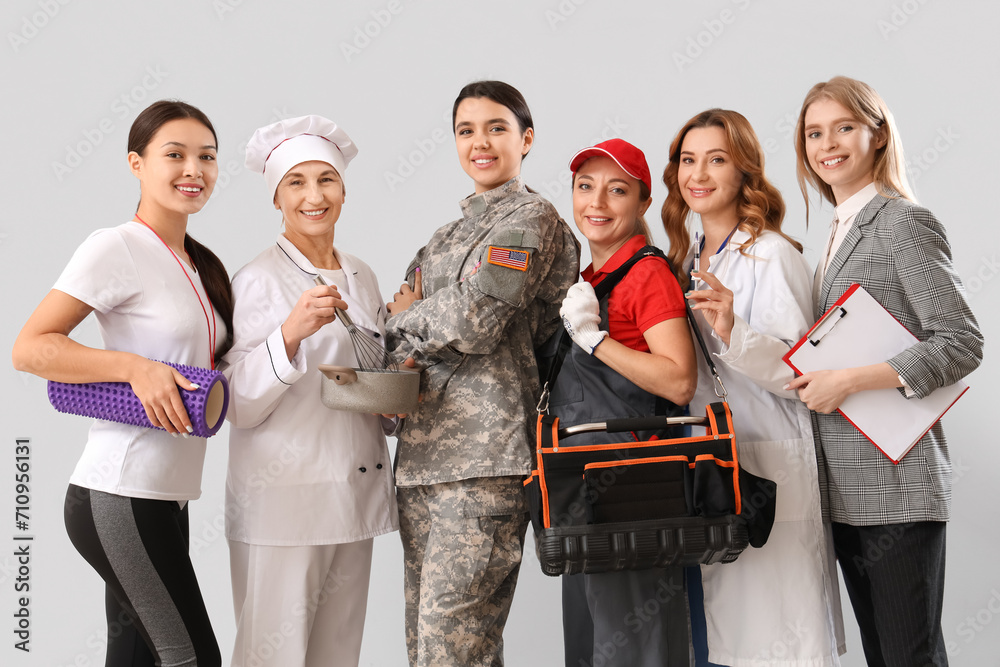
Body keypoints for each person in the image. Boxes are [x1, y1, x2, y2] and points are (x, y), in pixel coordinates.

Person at [12, 100, 229, 666]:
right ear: (136, 164)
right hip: (120, 492)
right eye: (174, 155)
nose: (194, 170)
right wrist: (136, 368)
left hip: (167, 497)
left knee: (134, 659)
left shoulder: (199, 264)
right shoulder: (116, 246)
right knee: (192, 659)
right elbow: (31, 348)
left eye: (206, 157)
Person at [786, 77, 983, 667]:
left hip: (898, 488)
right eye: (814, 133)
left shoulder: (901, 222)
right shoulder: (837, 227)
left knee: (908, 655)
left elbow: (961, 343)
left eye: (844, 127)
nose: (828, 144)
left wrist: (848, 381)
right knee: (885, 656)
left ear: (877, 134)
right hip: (848, 486)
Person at [385, 80, 580, 667]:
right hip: (420, 463)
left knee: (454, 650)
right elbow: (394, 340)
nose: (481, 142)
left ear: (525, 139)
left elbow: (475, 320)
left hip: (486, 463)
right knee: (428, 647)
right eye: (466, 130)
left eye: (496, 128)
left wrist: (410, 315)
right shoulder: (444, 237)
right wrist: (405, 331)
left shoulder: (533, 219)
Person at [663, 109, 845, 666]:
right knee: (716, 640)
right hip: (707, 468)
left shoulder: (773, 254)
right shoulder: (684, 260)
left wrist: (731, 330)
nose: (699, 174)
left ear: (745, 171)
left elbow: (804, 375)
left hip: (767, 461)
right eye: (688, 161)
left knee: (774, 640)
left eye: (716, 159)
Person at [222, 115, 399, 667]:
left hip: (353, 495)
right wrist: (290, 333)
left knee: (338, 655)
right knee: (271, 657)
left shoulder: (362, 275)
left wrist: (400, 351)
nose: (313, 196)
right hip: (285, 504)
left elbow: (369, 385)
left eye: (326, 180)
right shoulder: (256, 280)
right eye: (296, 183)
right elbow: (238, 404)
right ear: (276, 197)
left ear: (344, 190)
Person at [555, 138, 697, 667]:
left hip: (636, 492)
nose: (596, 202)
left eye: (617, 191)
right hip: (584, 486)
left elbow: (679, 381)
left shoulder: (647, 274)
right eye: (585, 187)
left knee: (635, 649)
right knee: (590, 647)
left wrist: (596, 341)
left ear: (642, 203)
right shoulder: (590, 281)